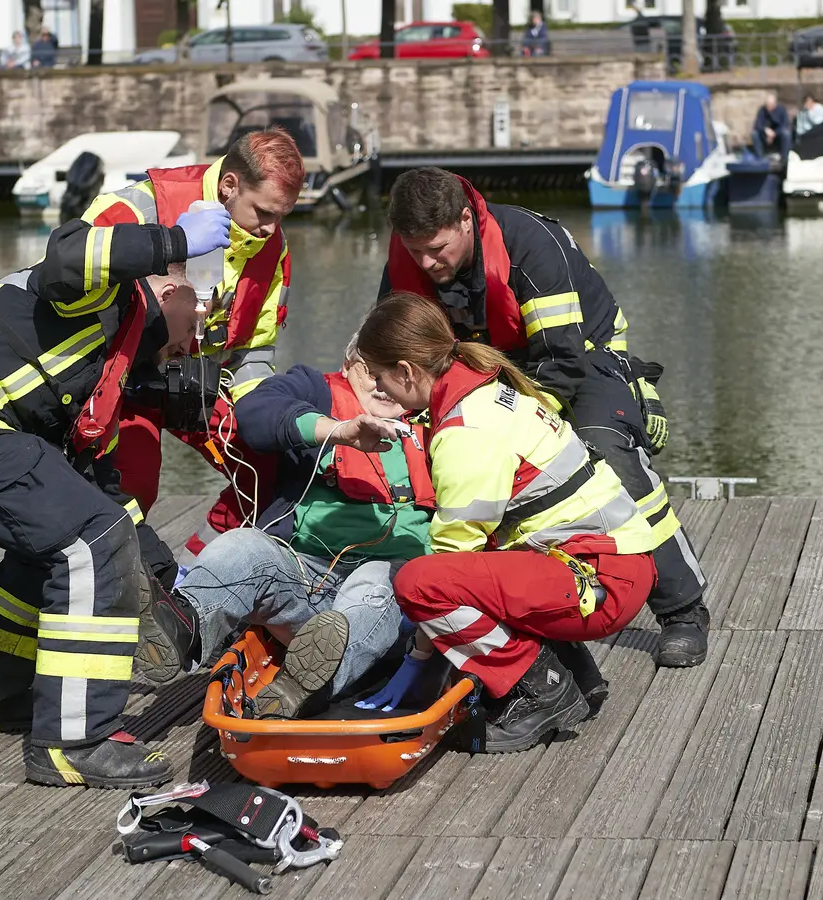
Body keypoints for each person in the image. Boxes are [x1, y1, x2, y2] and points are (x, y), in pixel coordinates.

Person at [0, 199, 236, 788]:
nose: (188, 349)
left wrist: (157, 572)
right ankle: (76, 740)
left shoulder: (109, 367)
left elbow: (96, 489)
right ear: (172, 296)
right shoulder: (112, 297)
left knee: (64, 536)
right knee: (92, 543)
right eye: (193, 328)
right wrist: (173, 241)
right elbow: (68, 251)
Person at [378, 167, 711, 668]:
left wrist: (511, 424)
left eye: (438, 249)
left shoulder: (531, 247)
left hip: (583, 357)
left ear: (466, 221)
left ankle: (683, 609)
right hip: (491, 373)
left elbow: (561, 361)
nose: (426, 263)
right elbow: (395, 343)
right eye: (415, 251)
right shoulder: (410, 259)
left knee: (604, 449)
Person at [348, 292, 655, 752]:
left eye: (378, 375)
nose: (378, 388)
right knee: (485, 566)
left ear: (407, 371)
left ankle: (542, 688)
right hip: (613, 564)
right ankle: (576, 674)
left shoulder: (465, 432)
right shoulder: (485, 388)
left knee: (418, 582)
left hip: (599, 581)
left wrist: (419, 659)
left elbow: (451, 562)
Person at [135, 330, 433, 718]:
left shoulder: (440, 418)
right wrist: (336, 430)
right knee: (241, 545)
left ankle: (300, 687)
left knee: (374, 578)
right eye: (373, 372)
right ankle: (182, 629)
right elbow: (255, 414)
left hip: (387, 600)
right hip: (305, 577)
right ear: (349, 366)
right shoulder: (315, 388)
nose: (384, 386)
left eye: (397, 376)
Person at [84, 129, 304, 573]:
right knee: (133, 488)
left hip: (197, 385)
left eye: (281, 217)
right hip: (120, 384)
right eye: (262, 212)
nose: (269, 228)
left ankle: (195, 577)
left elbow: (254, 349)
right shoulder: (141, 208)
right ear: (229, 185)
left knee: (273, 469)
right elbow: (73, 275)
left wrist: (262, 417)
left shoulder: (273, 249)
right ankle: (128, 588)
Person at [751, 91, 791, 157]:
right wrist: (765, 130)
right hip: (765, 135)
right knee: (755, 134)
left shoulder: (781, 110)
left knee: (786, 133)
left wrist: (774, 133)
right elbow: (757, 124)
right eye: (767, 105)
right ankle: (759, 157)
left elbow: (785, 124)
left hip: (778, 135)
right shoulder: (762, 110)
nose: (769, 107)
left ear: (775, 104)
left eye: (771, 105)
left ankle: (784, 158)